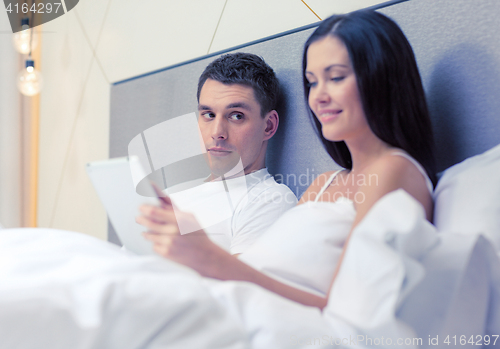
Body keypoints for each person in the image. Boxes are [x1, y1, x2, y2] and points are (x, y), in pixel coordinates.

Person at [137, 10, 436, 309]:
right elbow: (266, 272)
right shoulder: (323, 184)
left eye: (335, 78)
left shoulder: (391, 171)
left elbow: (348, 310)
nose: (318, 96)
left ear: (379, 80)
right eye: (312, 82)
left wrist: (209, 257)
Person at [157, 53, 297, 255]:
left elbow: (240, 285)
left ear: (268, 126)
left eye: (236, 116)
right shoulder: (172, 195)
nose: (216, 133)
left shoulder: (270, 199)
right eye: (208, 115)